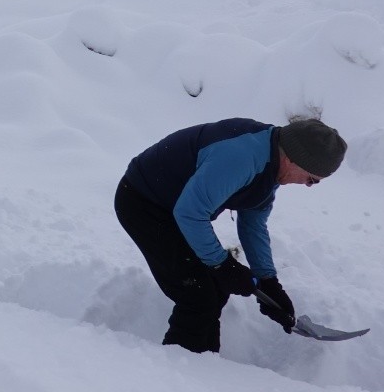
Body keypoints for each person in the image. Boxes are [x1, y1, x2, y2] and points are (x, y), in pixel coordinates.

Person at [114, 117, 347, 354]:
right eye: (311, 178)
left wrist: (268, 280)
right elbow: (190, 213)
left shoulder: (273, 160)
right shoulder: (241, 157)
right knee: (197, 295)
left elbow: (253, 223)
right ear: (293, 159)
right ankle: (176, 373)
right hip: (144, 203)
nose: (308, 185)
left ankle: (204, 360)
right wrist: (221, 265)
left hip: (176, 210)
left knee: (214, 289)